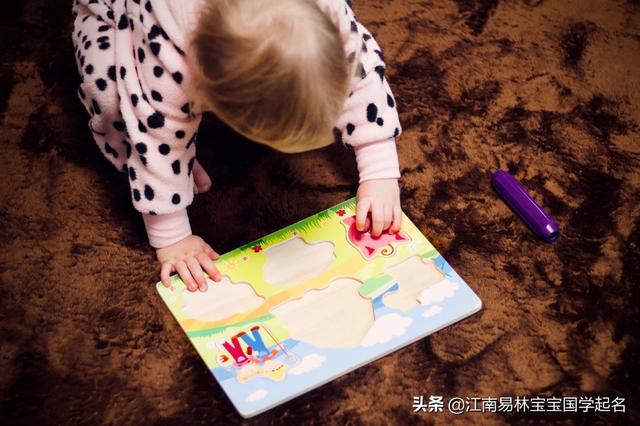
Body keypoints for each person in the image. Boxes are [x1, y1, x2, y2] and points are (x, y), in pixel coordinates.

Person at [72, 0, 403, 292]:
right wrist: (173, 238)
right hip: (117, 15)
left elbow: (362, 76)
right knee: (115, 101)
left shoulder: (330, 15)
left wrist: (380, 170)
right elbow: (155, 135)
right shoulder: (168, 60)